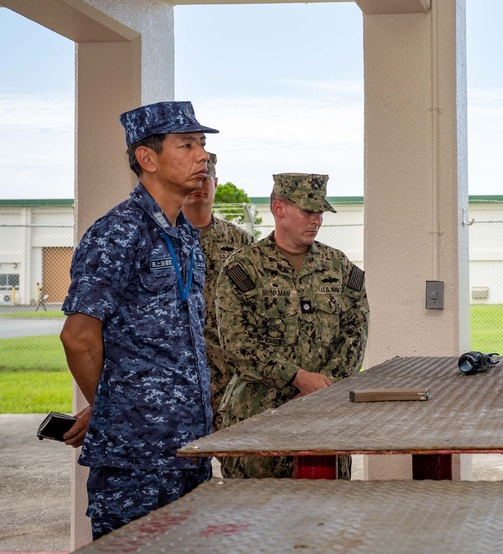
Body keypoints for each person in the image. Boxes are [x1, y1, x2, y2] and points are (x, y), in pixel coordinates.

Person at [58, 101, 218, 538]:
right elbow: (78, 337)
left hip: (188, 449)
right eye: (186, 144)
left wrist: (112, 401)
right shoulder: (119, 232)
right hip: (137, 461)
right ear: (147, 159)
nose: (202, 155)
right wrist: (113, 407)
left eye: (202, 144)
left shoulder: (183, 234)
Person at [215, 173, 369, 479]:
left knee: (325, 515)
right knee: (259, 517)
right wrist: (297, 378)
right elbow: (237, 344)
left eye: (320, 213)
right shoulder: (243, 269)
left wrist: (323, 386)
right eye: (307, 211)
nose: (316, 220)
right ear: (279, 209)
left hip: (324, 419)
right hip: (259, 419)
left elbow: (356, 332)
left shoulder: (338, 267)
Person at [181, 152, 253, 433]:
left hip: (230, 378)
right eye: (193, 180)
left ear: (216, 183)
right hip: (180, 378)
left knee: (238, 462)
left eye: (205, 179)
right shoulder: (161, 239)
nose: (199, 187)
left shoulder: (240, 242)